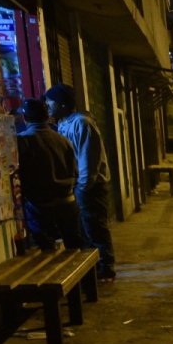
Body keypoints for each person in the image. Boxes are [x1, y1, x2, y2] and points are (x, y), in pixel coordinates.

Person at [44, 84, 116, 281]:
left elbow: (88, 160)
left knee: (94, 227)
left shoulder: (82, 124)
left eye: (50, 103)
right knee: (84, 229)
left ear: (62, 104)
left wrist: (83, 187)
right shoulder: (63, 124)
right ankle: (96, 268)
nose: (47, 107)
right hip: (79, 186)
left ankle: (106, 268)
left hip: (90, 186)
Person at [14, 98, 84, 251]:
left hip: (41, 208)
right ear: (46, 117)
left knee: (45, 252)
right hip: (69, 204)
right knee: (75, 250)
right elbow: (76, 172)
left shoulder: (24, 140)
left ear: (25, 118)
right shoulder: (63, 140)